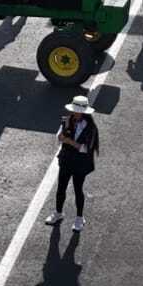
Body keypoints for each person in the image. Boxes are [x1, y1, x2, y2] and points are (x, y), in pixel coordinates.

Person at [44, 95, 100, 232]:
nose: (75, 113)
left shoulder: (91, 128)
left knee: (78, 190)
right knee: (61, 188)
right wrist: (67, 129)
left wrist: (69, 141)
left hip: (80, 164)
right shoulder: (66, 121)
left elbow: (85, 149)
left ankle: (80, 218)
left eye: (78, 111)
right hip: (66, 160)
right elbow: (59, 136)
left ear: (84, 112)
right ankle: (58, 213)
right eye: (74, 110)